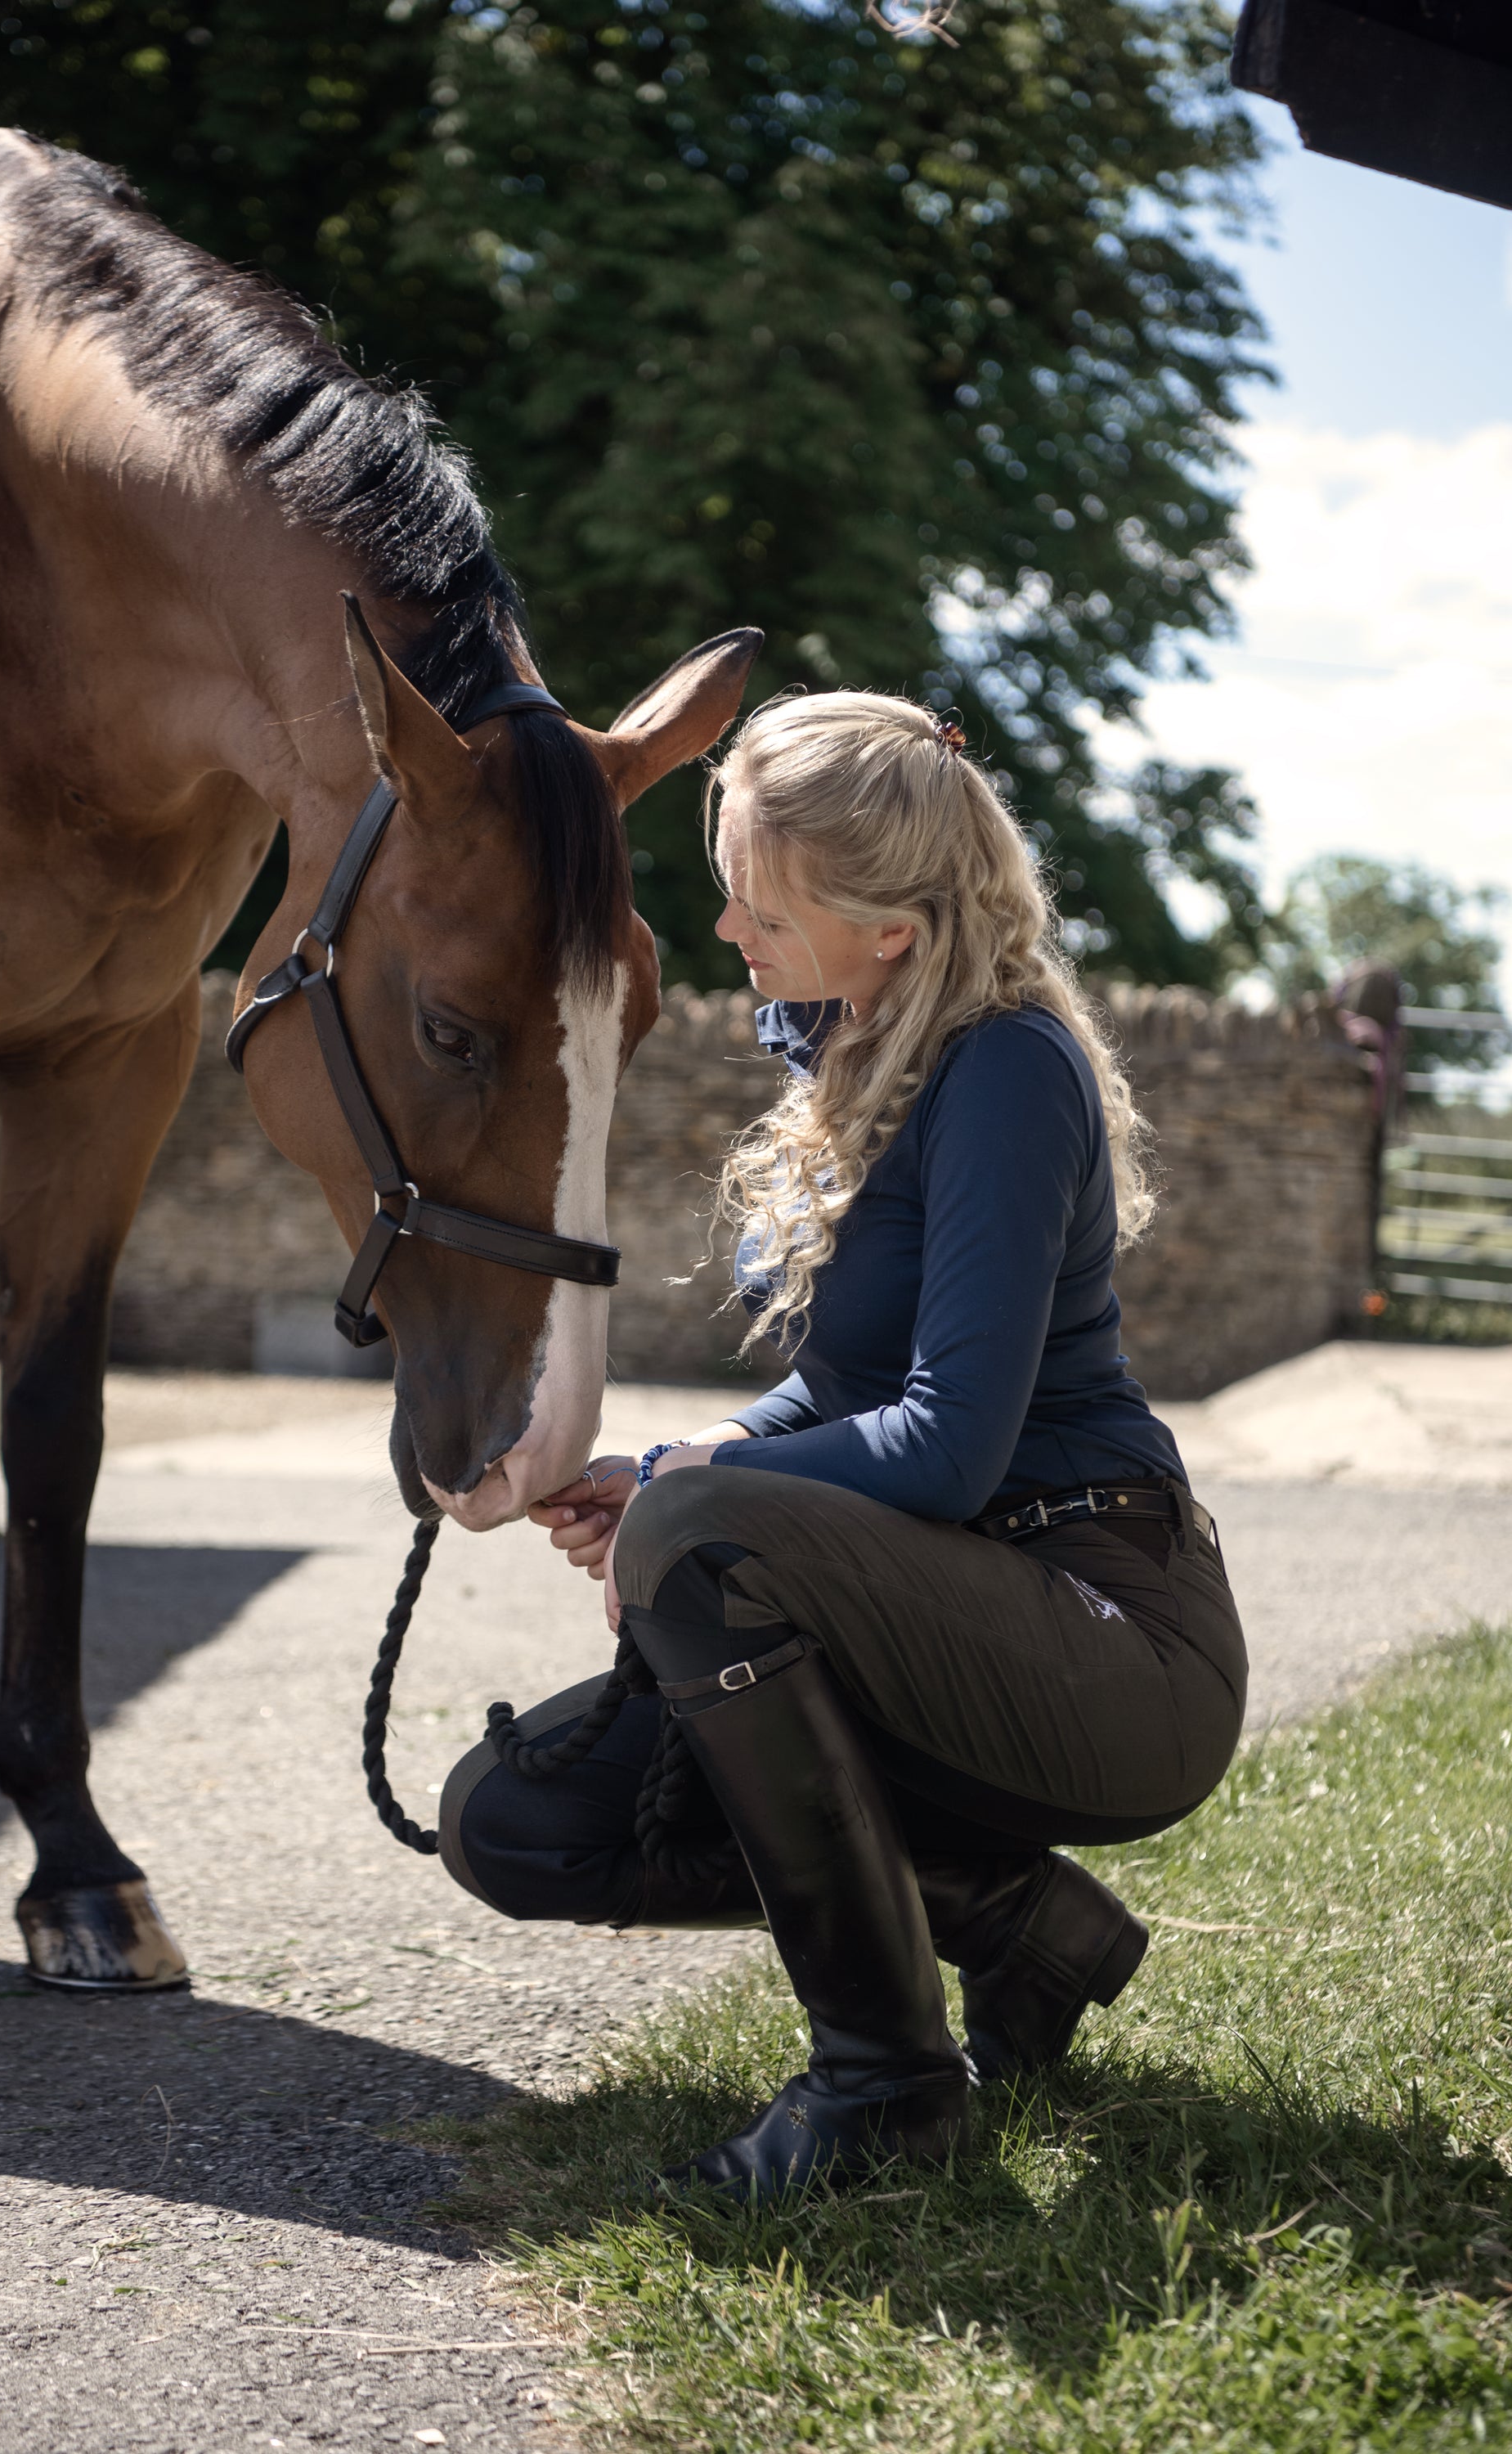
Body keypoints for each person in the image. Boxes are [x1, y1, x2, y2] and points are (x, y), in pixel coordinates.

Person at [435, 691, 1247, 2199]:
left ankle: (885, 2089)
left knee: (697, 1532)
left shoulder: (1007, 1065)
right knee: (518, 1826)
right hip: (948, 1606)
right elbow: (843, 1391)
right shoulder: (862, 1050)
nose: (730, 924)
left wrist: (694, 1498)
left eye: (762, 895)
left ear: (892, 922)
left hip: (1111, 1633)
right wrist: (686, 1459)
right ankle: (1017, 1926)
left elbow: (941, 1451)